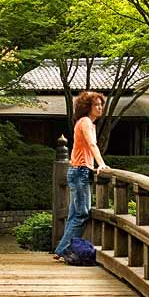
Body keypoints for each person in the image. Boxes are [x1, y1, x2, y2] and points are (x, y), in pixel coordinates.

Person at [53, 91, 109, 260]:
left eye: (101, 105)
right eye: (96, 105)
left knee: (74, 213)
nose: (100, 108)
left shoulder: (88, 124)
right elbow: (91, 145)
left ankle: (61, 249)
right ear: (87, 107)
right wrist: (101, 164)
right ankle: (62, 249)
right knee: (82, 213)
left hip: (79, 170)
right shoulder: (85, 122)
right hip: (80, 171)